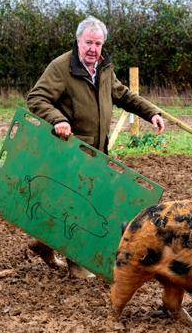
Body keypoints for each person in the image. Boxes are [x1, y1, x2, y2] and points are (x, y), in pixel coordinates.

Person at [26, 15, 165, 278]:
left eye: (98, 43)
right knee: (80, 204)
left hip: (97, 151)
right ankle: (77, 264)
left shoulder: (103, 68)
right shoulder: (61, 67)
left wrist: (152, 113)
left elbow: (122, 95)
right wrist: (58, 120)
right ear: (78, 41)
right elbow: (36, 98)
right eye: (89, 42)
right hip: (71, 150)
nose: (93, 49)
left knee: (80, 202)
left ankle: (43, 243)